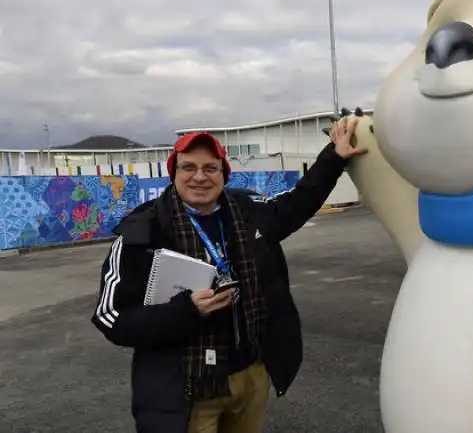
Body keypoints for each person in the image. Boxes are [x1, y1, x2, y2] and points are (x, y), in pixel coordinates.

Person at [90, 117, 366, 433]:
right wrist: (186, 311)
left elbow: (298, 202)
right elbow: (110, 318)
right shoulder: (141, 233)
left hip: (250, 376)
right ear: (174, 173)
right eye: (188, 167)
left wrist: (335, 156)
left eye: (210, 168)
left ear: (224, 173)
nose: (199, 177)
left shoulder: (248, 212)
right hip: (188, 388)